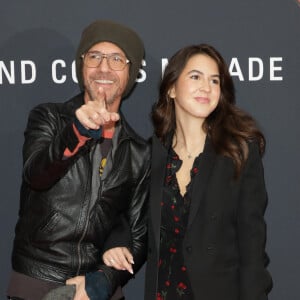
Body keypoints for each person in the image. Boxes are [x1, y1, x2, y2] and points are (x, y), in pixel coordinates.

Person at [109, 43, 273, 299]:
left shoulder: (239, 152)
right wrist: (115, 242)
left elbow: (252, 249)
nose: (206, 87)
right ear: (172, 88)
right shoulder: (150, 153)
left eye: (215, 80)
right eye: (195, 76)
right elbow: (123, 213)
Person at [7, 20, 150, 300]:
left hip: (98, 290)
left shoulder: (139, 151)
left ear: (130, 73)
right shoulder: (49, 118)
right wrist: (76, 132)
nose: (104, 68)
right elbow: (37, 175)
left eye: (116, 59)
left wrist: (103, 280)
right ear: (82, 66)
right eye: (94, 56)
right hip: (36, 284)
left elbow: (138, 235)